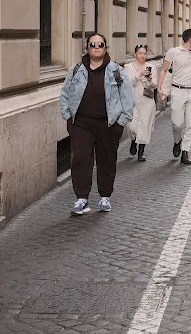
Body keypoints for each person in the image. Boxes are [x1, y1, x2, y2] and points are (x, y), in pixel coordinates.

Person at [60, 33, 134, 214]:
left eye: (100, 44)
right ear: (87, 48)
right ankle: (82, 199)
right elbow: (65, 92)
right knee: (81, 159)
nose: (96, 47)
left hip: (108, 125)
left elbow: (128, 97)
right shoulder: (77, 69)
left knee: (107, 160)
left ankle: (105, 196)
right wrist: (68, 116)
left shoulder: (116, 70)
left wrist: (121, 122)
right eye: (92, 44)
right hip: (81, 124)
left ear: (105, 48)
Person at [158, 28, 191, 165]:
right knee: (177, 123)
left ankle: (185, 151)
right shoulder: (174, 52)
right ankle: (177, 140)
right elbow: (164, 70)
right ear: (190, 39)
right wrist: (159, 88)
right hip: (177, 91)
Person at [124, 44, 157, 162]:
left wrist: (149, 80)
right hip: (132, 101)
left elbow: (154, 85)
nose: (142, 55)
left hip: (147, 101)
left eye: (144, 53)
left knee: (144, 126)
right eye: (140, 53)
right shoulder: (128, 67)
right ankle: (133, 141)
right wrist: (139, 74)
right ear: (135, 54)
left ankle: (141, 152)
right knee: (132, 126)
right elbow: (128, 83)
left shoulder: (151, 67)